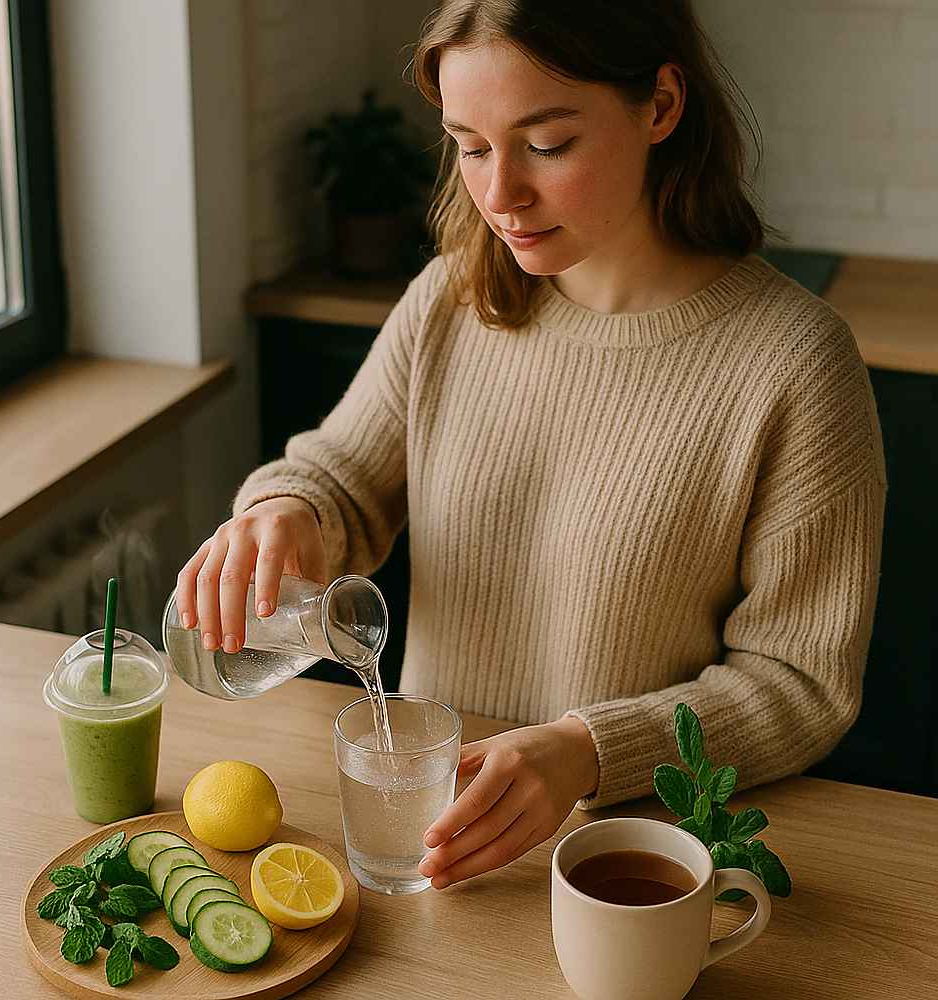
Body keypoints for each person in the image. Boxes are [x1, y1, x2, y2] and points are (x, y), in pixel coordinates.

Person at [176, 0, 886, 892]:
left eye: (546, 144)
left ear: (661, 105)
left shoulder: (795, 363)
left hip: (635, 864)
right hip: (438, 845)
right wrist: (286, 511)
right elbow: (340, 478)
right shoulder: (450, 299)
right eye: (470, 146)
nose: (500, 193)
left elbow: (799, 683)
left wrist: (587, 752)